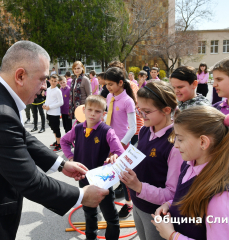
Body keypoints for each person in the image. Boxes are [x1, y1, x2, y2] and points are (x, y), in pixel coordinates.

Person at [0, 41, 109, 240]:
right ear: (20, 76)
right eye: (42, 79)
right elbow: (30, 181)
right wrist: (81, 196)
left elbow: (20, 135)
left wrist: (60, 164)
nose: (44, 87)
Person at [108, 81, 183, 240]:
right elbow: (135, 155)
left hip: (157, 212)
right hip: (138, 203)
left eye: (146, 111)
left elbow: (172, 194)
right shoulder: (145, 130)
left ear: (166, 110)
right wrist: (120, 160)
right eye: (139, 110)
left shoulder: (175, 145)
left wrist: (138, 186)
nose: (140, 115)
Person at [152, 106, 229, 240]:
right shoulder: (188, 164)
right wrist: (169, 204)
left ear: (203, 142)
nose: (175, 145)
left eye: (180, 139)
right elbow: (187, 197)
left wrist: (172, 236)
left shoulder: (219, 195)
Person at [61, 95, 125, 240]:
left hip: (103, 182)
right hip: (84, 179)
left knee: (111, 217)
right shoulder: (77, 128)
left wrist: (114, 156)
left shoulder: (107, 131)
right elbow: (64, 141)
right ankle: (91, 237)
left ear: (103, 114)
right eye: (90, 109)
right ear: (84, 110)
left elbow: (120, 151)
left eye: (97, 111)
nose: (92, 114)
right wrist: (70, 158)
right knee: (89, 214)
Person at [105, 66, 137, 217]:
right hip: (109, 141)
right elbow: (108, 118)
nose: (108, 87)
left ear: (120, 83)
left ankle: (129, 204)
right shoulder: (109, 97)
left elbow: (133, 128)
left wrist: (121, 144)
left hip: (122, 144)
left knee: (125, 177)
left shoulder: (127, 101)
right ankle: (107, 199)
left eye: (110, 84)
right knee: (108, 172)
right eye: (106, 84)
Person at [43, 74, 63, 152]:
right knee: (52, 127)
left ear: (57, 82)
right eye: (52, 80)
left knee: (56, 128)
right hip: (48, 112)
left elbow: (61, 102)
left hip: (55, 113)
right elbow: (47, 100)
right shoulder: (48, 89)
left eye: (55, 81)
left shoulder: (58, 91)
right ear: (49, 81)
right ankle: (57, 141)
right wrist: (44, 104)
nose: (53, 82)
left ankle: (59, 145)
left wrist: (50, 107)